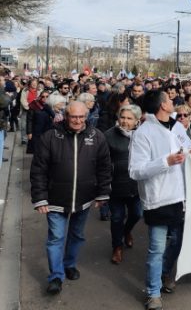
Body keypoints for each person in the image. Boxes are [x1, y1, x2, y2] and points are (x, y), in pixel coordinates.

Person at [30, 101, 112, 295]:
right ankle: (56, 276)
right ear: (66, 116)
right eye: (73, 116)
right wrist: (40, 198)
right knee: (56, 238)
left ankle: (69, 264)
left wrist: (102, 193)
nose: (77, 120)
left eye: (81, 116)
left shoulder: (97, 136)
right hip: (55, 200)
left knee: (77, 235)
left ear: (87, 116)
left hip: (84, 199)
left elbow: (104, 168)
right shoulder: (50, 137)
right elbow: (38, 169)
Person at [129, 90, 191, 310]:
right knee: (157, 248)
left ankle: (165, 272)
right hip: (158, 199)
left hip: (182, 197)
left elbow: (186, 149)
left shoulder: (177, 126)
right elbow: (135, 171)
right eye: (169, 100)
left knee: (178, 242)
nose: (173, 102)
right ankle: (153, 292)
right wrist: (165, 161)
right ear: (162, 106)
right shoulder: (143, 133)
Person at [104, 105, 143, 264]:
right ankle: (117, 247)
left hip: (137, 186)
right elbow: (103, 162)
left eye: (129, 118)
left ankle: (126, 232)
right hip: (116, 186)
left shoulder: (143, 135)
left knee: (137, 214)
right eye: (123, 117)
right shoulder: (109, 135)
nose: (125, 121)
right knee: (117, 218)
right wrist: (105, 184)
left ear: (137, 121)